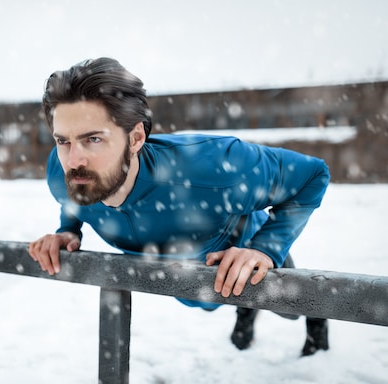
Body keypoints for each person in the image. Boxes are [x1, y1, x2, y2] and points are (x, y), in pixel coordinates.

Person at [28, 57, 330, 356]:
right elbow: (72, 196)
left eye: (93, 139)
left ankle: (315, 322)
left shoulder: (214, 166)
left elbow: (312, 175)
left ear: (135, 138)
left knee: (291, 306)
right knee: (217, 303)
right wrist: (68, 230)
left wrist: (264, 249)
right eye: (63, 140)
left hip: (242, 249)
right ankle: (244, 311)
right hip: (190, 283)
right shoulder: (62, 171)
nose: (74, 160)